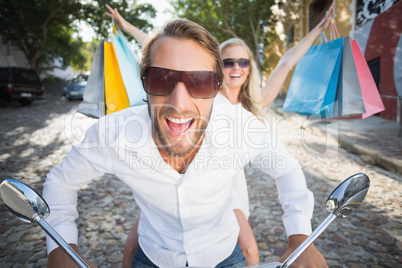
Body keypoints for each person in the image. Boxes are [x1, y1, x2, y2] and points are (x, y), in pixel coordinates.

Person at [44, 19, 327, 267]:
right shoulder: (113, 134)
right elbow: (60, 182)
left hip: (223, 253)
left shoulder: (241, 126)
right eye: (161, 78)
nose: (179, 103)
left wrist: (300, 237)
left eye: (200, 81)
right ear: (144, 81)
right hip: (154, 254)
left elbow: (287, 169)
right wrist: (61, 246)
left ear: (217, 87)